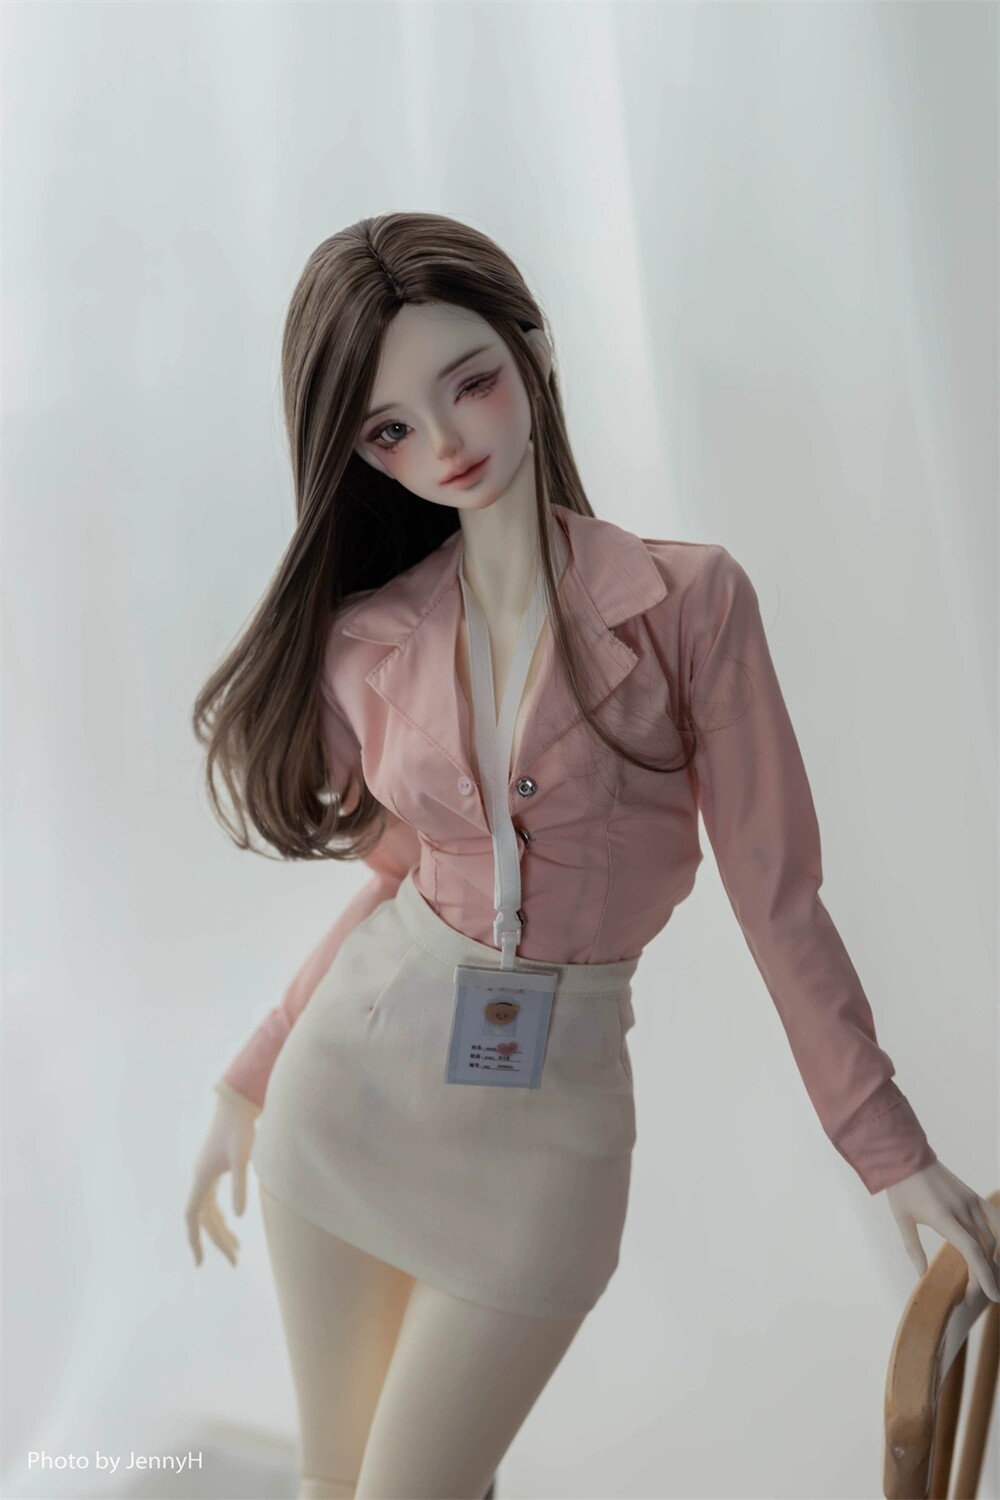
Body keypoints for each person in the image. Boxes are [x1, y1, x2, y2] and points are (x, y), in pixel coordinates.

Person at [185, 213, 1000, 1500]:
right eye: (389, 430)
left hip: (545, 1150)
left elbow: (777, 897)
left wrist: (884, 1144)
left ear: (533, 352)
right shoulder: (370, 638)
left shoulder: (689, 606)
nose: (444, 443)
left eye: (469, 382)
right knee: (332, 1488)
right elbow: (397, 881)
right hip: (347, 1101)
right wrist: (248, 1082)